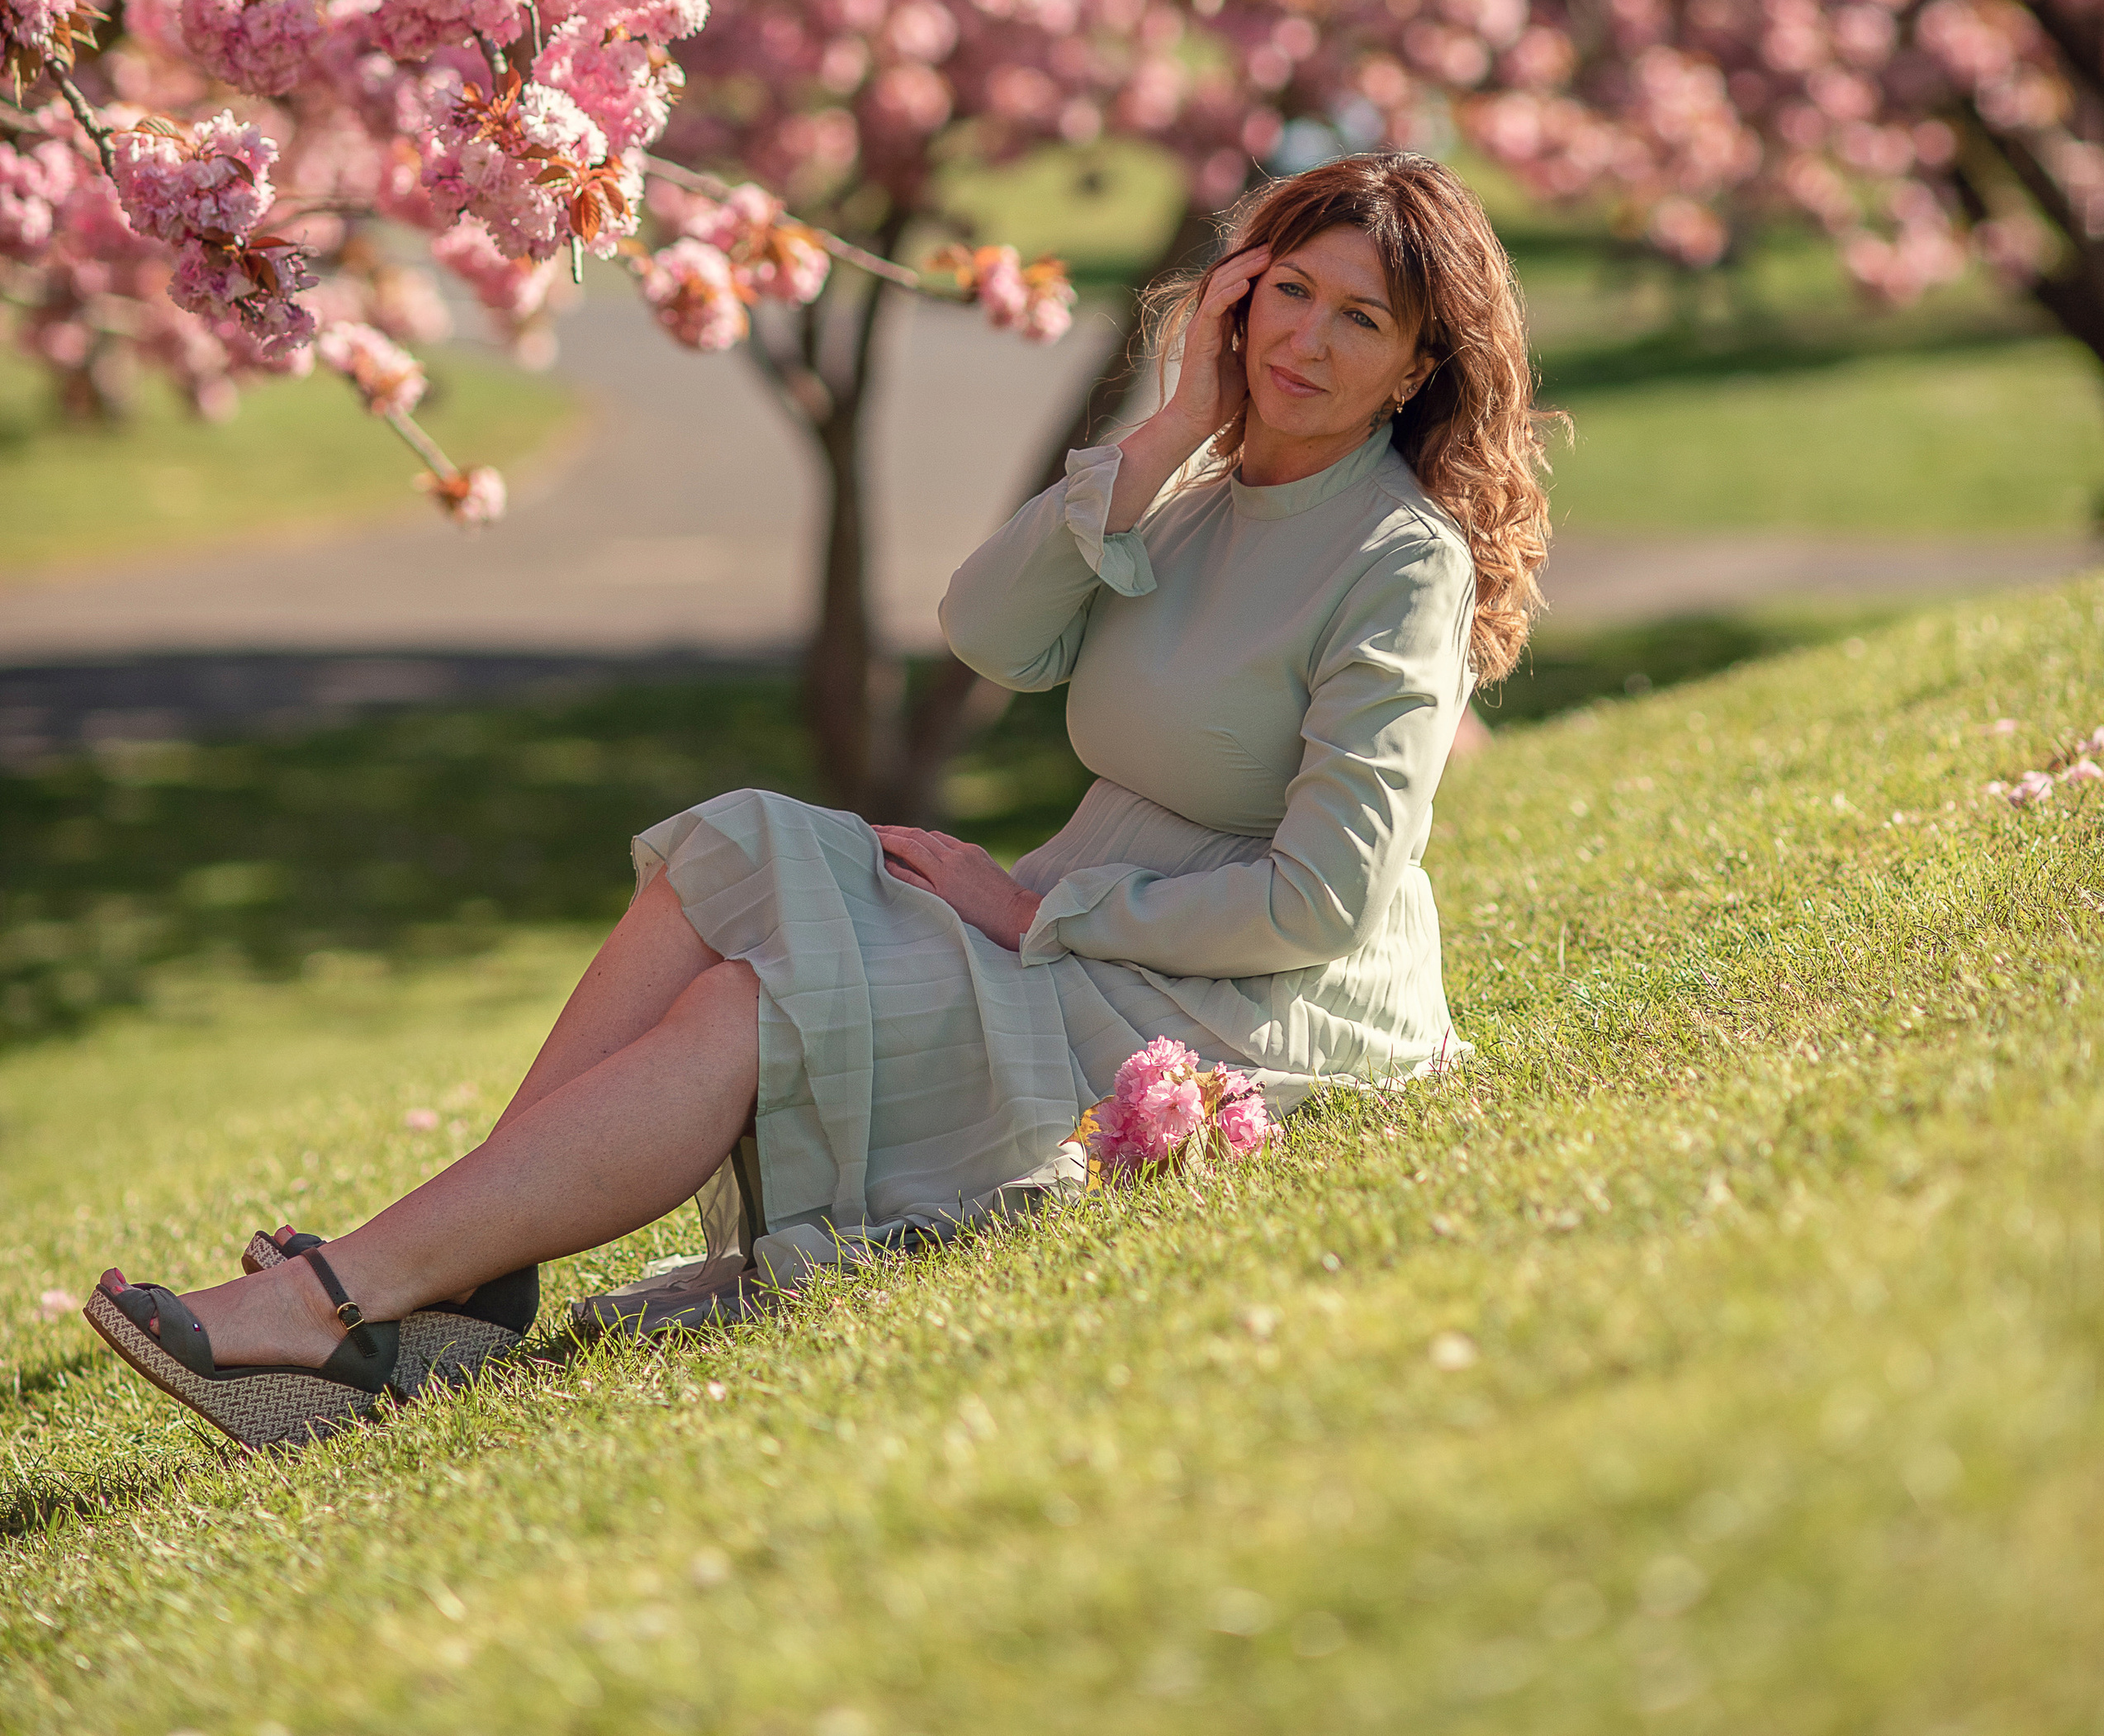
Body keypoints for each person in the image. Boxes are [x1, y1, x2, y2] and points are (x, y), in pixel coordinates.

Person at [85, 151, 1553, 1452]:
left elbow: (1323, 901)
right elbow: (989, 629)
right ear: (1238, 293)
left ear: (1419, 366)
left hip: (1244, 993)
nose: (1306, 338)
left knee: (749, 1007)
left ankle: (344, 1297)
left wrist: (1037, 907)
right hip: (1091, 921)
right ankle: (461, 1274)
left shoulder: (1400, 560)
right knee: (727, 847)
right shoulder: (1193, 487)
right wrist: (1171, 427)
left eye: (1361, 318)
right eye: (1289, 290)